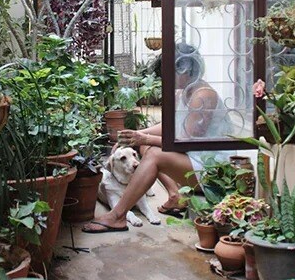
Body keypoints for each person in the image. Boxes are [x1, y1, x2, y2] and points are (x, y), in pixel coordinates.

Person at [83, 42, 233, 233]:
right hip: (197, 160)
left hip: (214, 168)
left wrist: (144, 139)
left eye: (169, 71)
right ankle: (174, 195)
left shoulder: (202, 96)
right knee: (147, 148)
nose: (165, 77)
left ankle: (118, 216)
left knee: (153, 153)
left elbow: (183, 143)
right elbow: (170, 127)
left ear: (185, 69)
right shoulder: (185, 92)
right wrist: (136, 136)